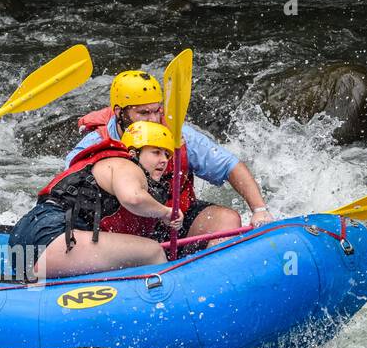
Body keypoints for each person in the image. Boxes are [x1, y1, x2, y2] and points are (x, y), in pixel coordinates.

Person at [69, 69, 274, 239]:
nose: (153, 119)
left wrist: (259, 210)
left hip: (175, 221)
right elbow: (69, 193)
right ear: (119, 113)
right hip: (118, 230)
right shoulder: (95, 144)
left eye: (157, 111)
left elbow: (230, 166)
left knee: (226, 220)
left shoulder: (180, 135)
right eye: (143, 113)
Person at [9, 121, 181, 279]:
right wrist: (166, 212)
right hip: (54, 235)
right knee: (153, 251)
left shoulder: (104, 164)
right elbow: (133, 198)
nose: (164, 160)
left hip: (23, 236)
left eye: (167, 155)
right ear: (133, 153)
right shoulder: (126, 165)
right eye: (156, 152)